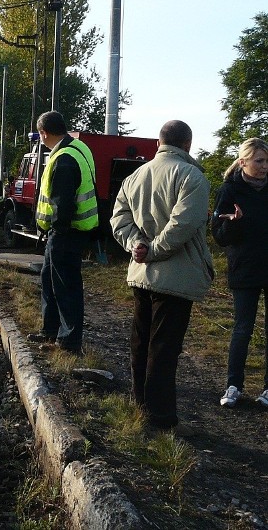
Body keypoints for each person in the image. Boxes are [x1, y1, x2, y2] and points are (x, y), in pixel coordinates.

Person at [110, 120, 214, 431]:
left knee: (140, 342)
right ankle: (160, 417)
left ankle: (138, 405)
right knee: (164, 348)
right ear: (187, 145)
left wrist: (136, 245)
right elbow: (183, 225)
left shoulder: (135, 176)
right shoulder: (192, 177)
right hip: (176, 277)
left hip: (142, 273)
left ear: (159, 143)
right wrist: (152, 249)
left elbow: (119, 218)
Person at [29, 111, 98, 354]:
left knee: (66, 285)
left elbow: (63, 203)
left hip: (66, 232)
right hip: (67, 232)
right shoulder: (78, 148)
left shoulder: (64, 158)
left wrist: (56, 229)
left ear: (43, 133)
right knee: (49, 279)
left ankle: (69, 341)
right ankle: (50, 330)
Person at [210, 137, 268, 408]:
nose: (265, 166)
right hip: (244, 267)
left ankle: (267, 389)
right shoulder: (229, 190)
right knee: (242, 328)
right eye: (259, 161)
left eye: (267, 161)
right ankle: (233, 385)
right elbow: (219, 237)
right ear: (243, 162)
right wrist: (233, 224)